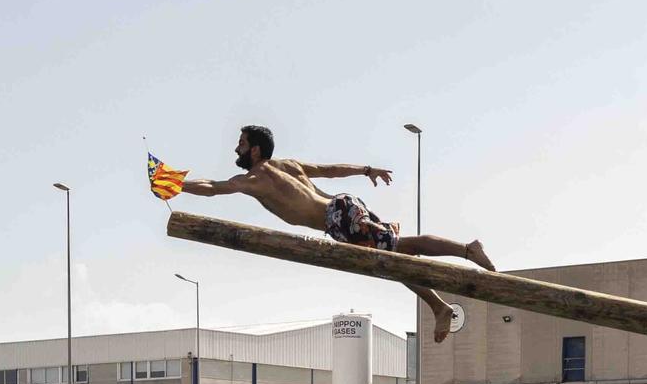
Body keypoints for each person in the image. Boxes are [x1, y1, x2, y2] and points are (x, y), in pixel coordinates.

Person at [177, 124, 496, 343]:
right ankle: (453, 273)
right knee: (399, 252)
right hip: (344, 206)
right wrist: (367, 170)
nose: (236, 148)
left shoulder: (254, 177)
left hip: (336, 219)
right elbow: (330, 170)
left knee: (393, 259)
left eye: (242, 143)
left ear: (255, 150)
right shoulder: (289, 165)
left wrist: (174, 184)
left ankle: (455, 273)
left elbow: (213, 188)